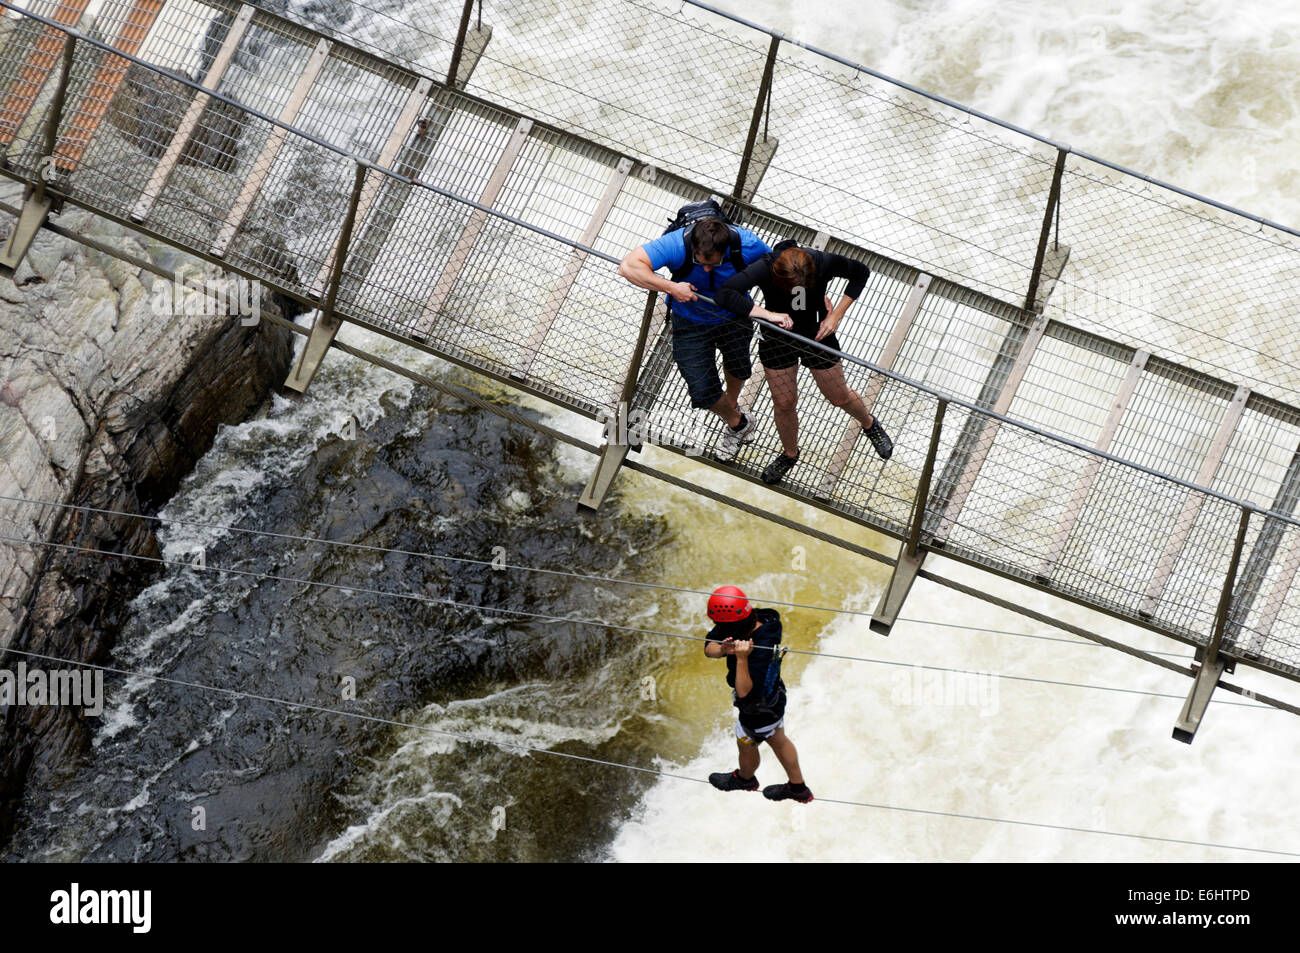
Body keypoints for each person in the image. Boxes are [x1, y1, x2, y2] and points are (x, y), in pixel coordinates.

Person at [715, 241, 894, 486]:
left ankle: (869, 423)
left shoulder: (823, 261)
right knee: (784, 402)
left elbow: (861, 271)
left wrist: (835, 315)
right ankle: (790, 454)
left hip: (818, 335)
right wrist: (767, 315)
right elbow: (725, 293)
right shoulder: (765, 266)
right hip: (778, 337)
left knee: (838, 396)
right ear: (778, 274)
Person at [618, 212, 788, 461]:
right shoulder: (677, 243)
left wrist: (802, 303)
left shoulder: (747, 245)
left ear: (726, 249)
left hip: (734, 316)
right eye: (701, 261)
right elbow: (627, 266)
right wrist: (671, 287)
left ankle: (731, 408)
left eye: (713, 263)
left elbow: (780, 274)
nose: (707, 267)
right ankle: (738, 423)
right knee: (701, 390)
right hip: (690, 322)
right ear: (694, 247)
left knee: (738, 367)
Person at [703, 585, 812, 803]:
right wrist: (724, 649)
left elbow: (744, 692)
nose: (717, 628)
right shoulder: (757, 619)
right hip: (774, 698)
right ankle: (798, 787)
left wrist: (742, 659)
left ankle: (745, 779)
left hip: (758, 706)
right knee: (777, 739)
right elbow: (709, 647)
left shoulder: (760, 647)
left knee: (747, 741)